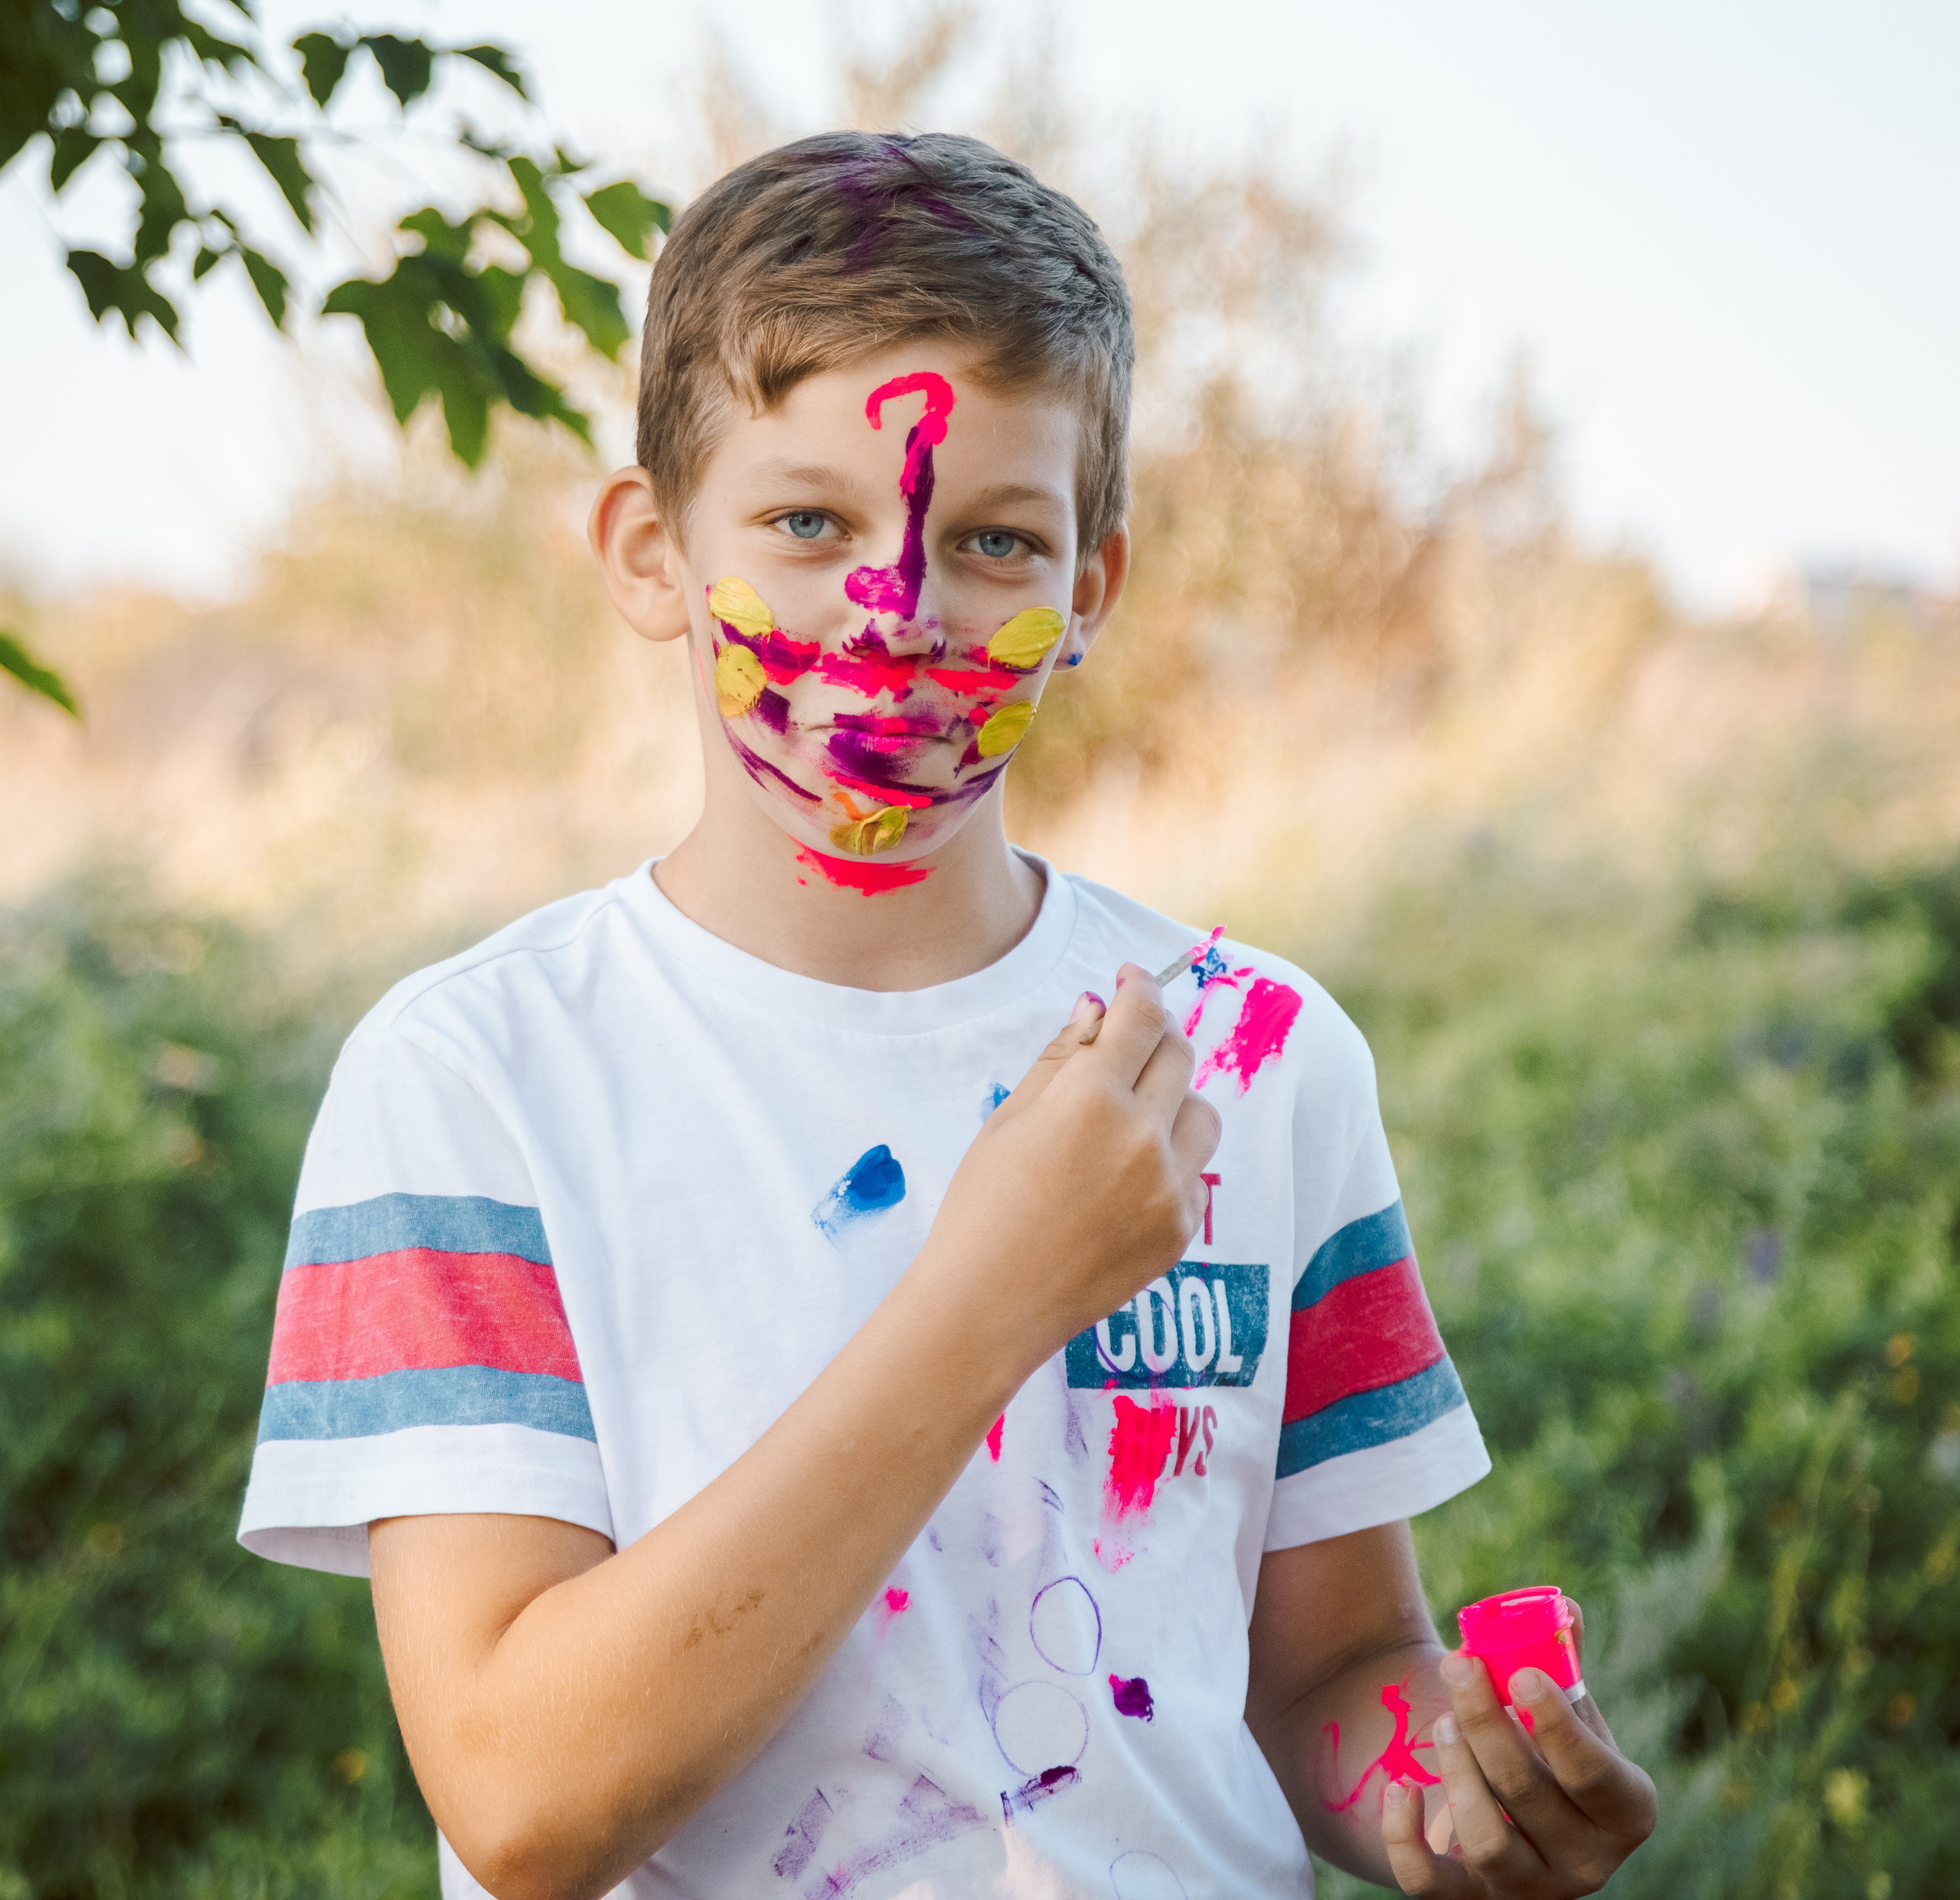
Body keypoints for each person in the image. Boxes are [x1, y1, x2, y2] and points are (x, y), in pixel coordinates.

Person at [238, 130, 1655, 1900]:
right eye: (808, 521)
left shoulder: (1256, 1056)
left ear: (1089, 592)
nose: (897, 609)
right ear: (648, 550)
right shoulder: (472, 1076)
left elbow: (1323, 1666)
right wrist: (993, 1289)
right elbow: (524, 1797)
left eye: (992, 539)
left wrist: (1442, 1790)